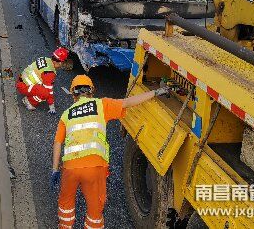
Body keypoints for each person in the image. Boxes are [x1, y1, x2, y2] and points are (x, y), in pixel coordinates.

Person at [51, 75, 172, 229]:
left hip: (70, 168)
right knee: (95, 208)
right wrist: (157, 92)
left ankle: (64, 226)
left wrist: (55, 169)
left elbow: (58, 143)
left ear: (73, 95)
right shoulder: (102, 105)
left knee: (66, 204)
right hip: (95, 168)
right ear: (91, 91)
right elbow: (128, 102)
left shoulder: (66, 114)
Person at [16, 47, 69, 114]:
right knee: (45, 93)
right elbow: (49, 91)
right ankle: (29, 101)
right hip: (23, 87)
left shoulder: (45, 59)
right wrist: (51, 105)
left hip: (21, 80)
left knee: (44, 88)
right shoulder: (49, 72)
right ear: (60, 62)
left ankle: (31, 93)